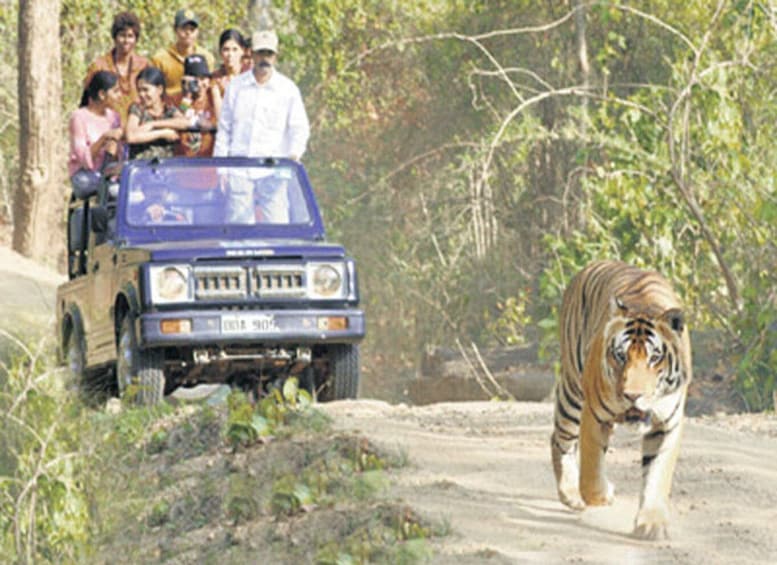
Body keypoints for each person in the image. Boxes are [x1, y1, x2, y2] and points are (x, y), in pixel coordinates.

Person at [214, 29, 310, 223]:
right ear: (251, 54)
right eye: (261, 53)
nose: (265, 59)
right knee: (239, 232)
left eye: (269, 54)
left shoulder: (288, 89)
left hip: (273, 172)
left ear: (275, 56)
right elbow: (225, 129)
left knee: (277, 228)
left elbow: (299, 128)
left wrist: (292, 157)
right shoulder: (236, 87)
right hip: (239, 169)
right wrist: (221, 168)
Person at [84, 11, 149, 123]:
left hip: (137, 130)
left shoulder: (143, 65)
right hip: (106, 129)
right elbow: (88, 102)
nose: (126, 41)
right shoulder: (99, 66)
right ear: (115, 37)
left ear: (136, 39)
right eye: (122, 35)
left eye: (130, 36)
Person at [68, 71, 123, 178]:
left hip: (107, 173)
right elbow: (82, 159)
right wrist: (103, 139)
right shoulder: (79, 118)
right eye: (116, 91)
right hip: (84, 175)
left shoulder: (114, 117)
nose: (120, 95)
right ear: (102, 94)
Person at [125, 67, 189, 160]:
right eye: (139, 90)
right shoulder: (137, 109)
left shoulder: (169, 109)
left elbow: (185, 123)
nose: (141, 94)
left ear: (159, 89)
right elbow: (131, 136)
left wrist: (152, 124)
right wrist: (162, 133)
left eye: (145, 90)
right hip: (141, 168)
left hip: (166, 169)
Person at [150, 9, 215, 99]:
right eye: (184, 28)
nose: (188, 33)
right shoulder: (160, 59)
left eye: (192, 29)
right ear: (175, 30)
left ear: (197, 32)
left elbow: (209, 88)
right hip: (170, 106)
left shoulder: (206, 57)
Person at [173, 54, 220, 157]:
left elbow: (221, 122)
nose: (199, 84)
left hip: (209, 161)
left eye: (203, 78)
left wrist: (215, 92)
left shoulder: (214, 98)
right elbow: (177, 121)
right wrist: (187, 97)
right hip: (183, 161)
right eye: (195, 80)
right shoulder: (177, 99)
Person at [211, 28, 250, 96]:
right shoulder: (215, 78)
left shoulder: (250, 76)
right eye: (226, 49)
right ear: (220, 52)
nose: (230, 54)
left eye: (235, 49)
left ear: (242, 51)